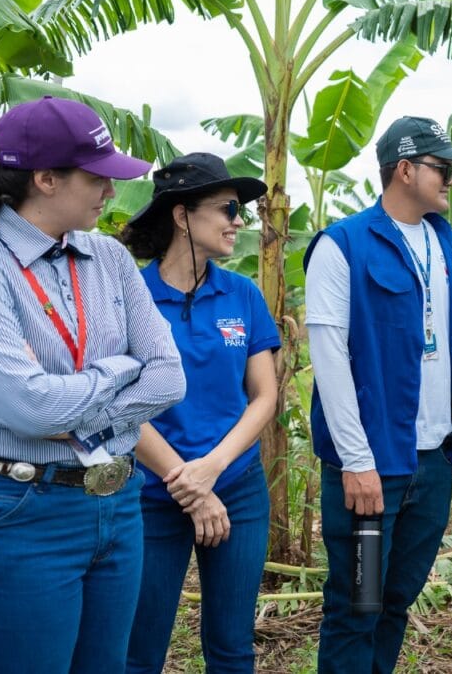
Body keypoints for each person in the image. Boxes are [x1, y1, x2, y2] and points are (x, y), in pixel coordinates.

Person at [0, 95, 186, 673]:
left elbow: (169, 376)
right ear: (46, 179)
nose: (112, 192)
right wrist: (118, 368)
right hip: (21, 513)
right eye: (98, 178)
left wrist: (73, 396)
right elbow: (29, 408)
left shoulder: (109, 258)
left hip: (116, 505)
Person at [304, 116, 452, 673]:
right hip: (373, 467)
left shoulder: (448, 244)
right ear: (404, 170)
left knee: (397, 602)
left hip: (433, 461)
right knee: (358, 605)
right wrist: (357, 462)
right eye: (442, 168)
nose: (451, 179)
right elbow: (329, 360)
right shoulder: (343, 245)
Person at [120, 153, 280, 673]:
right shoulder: (131, 296)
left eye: (242, 212)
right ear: (182, 216)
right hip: (152, 492)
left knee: (233, 646)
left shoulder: (243, 294)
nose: (239, 221)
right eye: (228, 208)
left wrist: (210, 471)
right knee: (139, 650)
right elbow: (119, 404)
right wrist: (186, 481)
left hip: (236, 484)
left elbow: (264, 396)